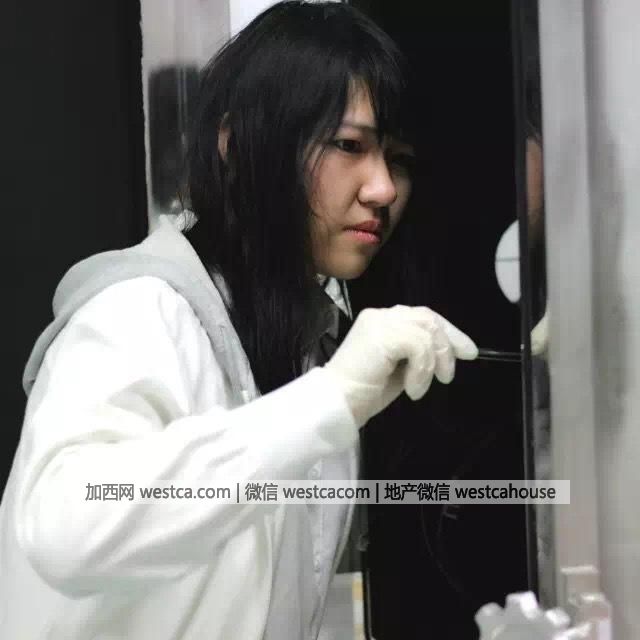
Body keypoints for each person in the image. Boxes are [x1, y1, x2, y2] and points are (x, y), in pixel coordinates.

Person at [0, 2, 478, 638]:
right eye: (349, 145)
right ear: (238, 144)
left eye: (399, 158)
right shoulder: (141, 311)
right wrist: (330, 400)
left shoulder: (307, 341)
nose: (383, 188)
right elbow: (64, 526)